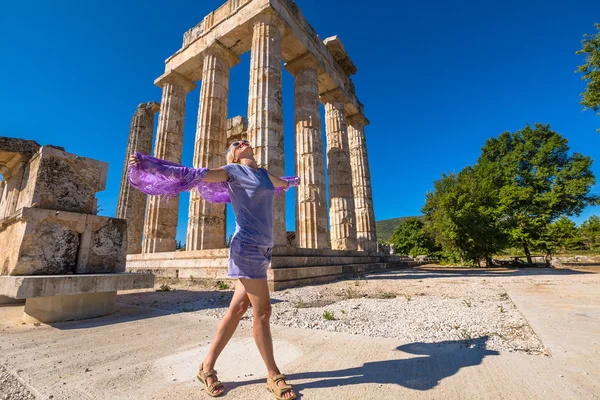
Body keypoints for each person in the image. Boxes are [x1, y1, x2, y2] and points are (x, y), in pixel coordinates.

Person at [128, 139, 298, 399]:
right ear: (233, 154)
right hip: (247, 247)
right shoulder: (231, 171)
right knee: (263, 311)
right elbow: (193, 174)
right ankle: (273, 374)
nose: (243, 142)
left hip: (265, 249)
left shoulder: (264, 174)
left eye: (244, 140)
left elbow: (282, 183)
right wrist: (151, 165)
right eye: (236, 143)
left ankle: (206, 367)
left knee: (237, 308)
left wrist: (292, 182)